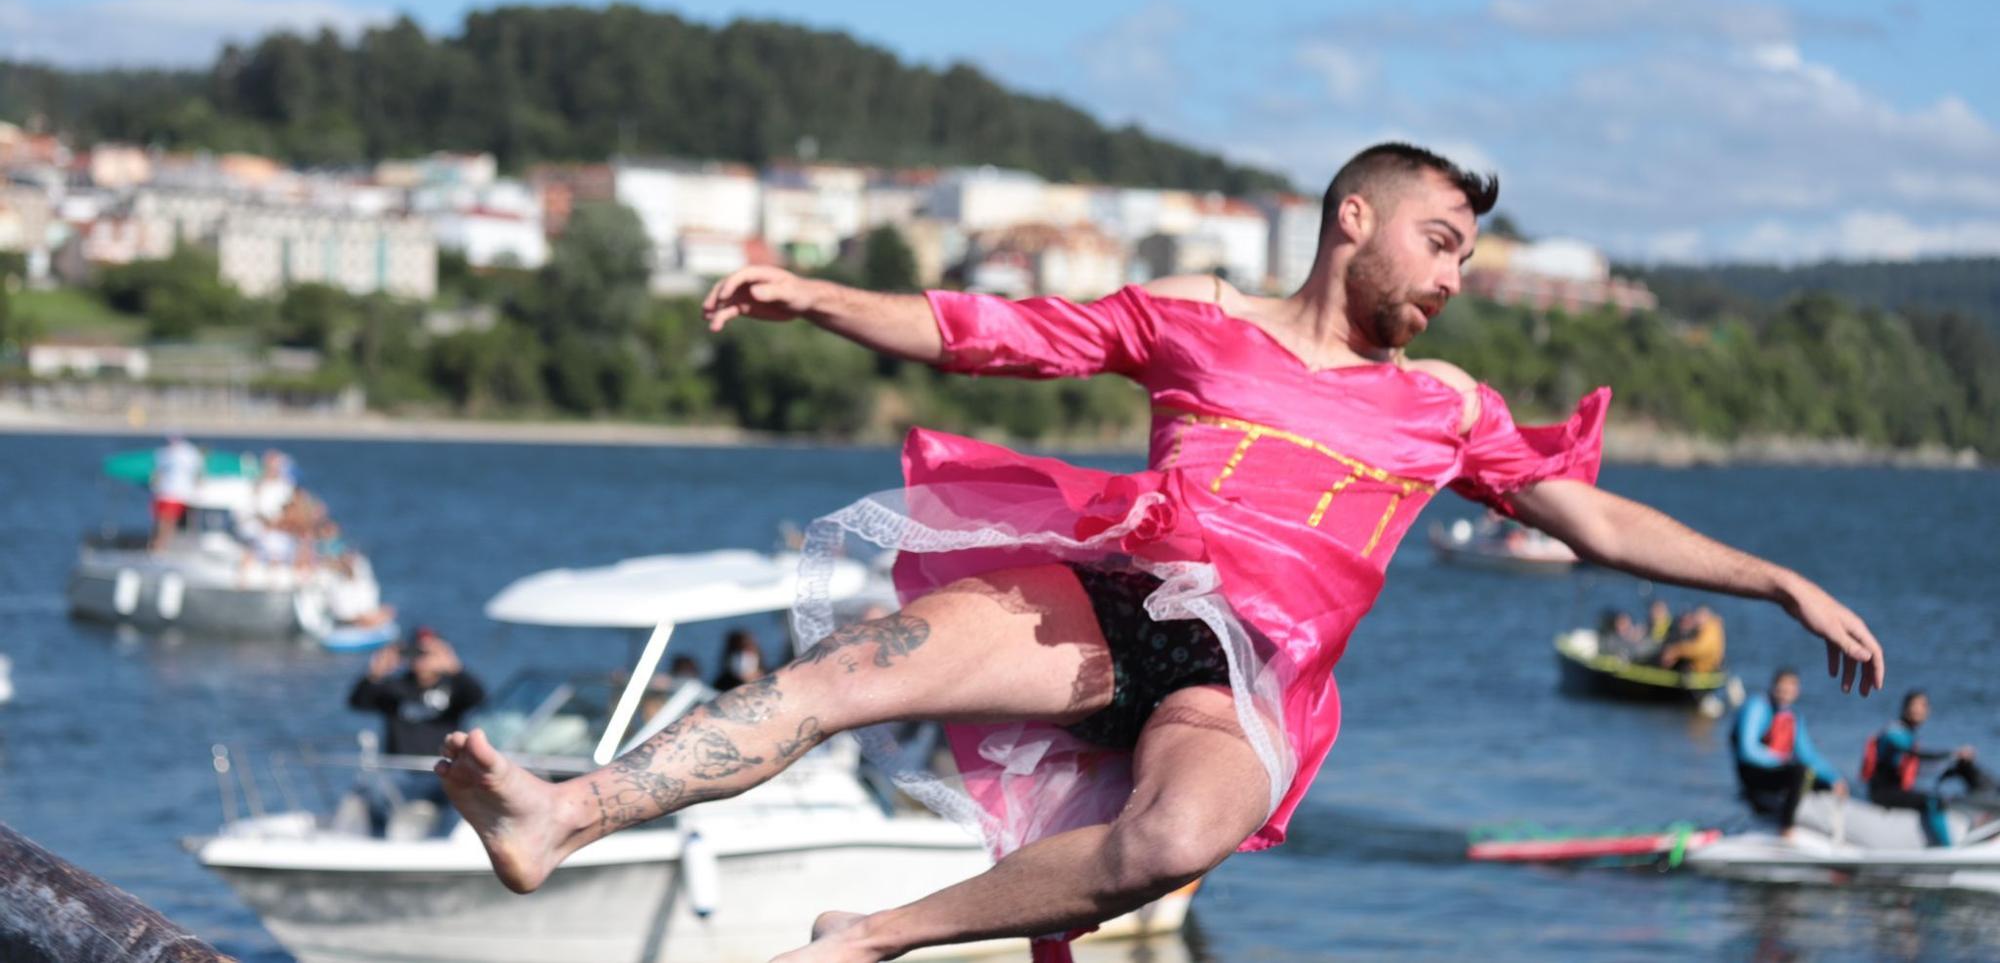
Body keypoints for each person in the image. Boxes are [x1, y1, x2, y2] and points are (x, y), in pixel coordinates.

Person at [436, 142, 1884, 963]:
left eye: (1468, 259)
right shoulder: (1202, 318)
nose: (1454, 276)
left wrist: (1779, 576)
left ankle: (870, 933)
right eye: (1440, 240)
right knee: (835, 677)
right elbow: (989, 334)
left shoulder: (1450, 410)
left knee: (1174, 839)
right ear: (1353, 218)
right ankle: (562, 810)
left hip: (1245, 669)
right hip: (1113, 594)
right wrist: (818, 294)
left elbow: (1596, 519)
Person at [349, 627, 486, 833]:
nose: (421, 659)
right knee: (373, 788)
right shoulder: (394, 686)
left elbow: (479, 698)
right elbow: (358, 702)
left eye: (427, 653)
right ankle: (379, 842)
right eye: (416, 653)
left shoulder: (455, 687)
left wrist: (455, 668)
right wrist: (375, 674)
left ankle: (441, 845)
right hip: (399, 770)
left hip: (441, 770)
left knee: (463, 791)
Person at [1732, 667, 1846, 833]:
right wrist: (1782, 759)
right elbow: (1747, 751)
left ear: (1796, 691)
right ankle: (1786, 828)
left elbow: (1808, 755)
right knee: (1799, 772)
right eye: (1782, 688)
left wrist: (1834, 778)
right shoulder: (1757, 707)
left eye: (1790, 689)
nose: (1785, 693)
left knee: (1821, 783)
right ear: (1773, 687)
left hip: (1778, 772)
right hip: (1753, 774)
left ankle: (1818, 824)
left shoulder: (1792, 717)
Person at [1862, 690, 1981, 846]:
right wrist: (1954, 754)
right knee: (1932, 801)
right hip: (1882, 792)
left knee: (1942, 797)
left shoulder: (1909, 735)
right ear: (1906, 708)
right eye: (1918, 705)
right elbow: (1917, 755)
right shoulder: (1894, 733)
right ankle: (1947, 849)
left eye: (1925, 706)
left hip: (1897, 791)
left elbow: (1921, 767)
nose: (1922, 710)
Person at [149, 435, 204, 550]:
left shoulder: (163, 453)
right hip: (175, 495)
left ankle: (158, 548)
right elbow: (198, 476)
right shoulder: (191, 454)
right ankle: (159, 548)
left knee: (164, 523)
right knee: (168, 523)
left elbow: (155, 476)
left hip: (166, 495)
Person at [1657, 605, 1726, 673]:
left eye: (1699, 616)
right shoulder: (1708, 628)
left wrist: (1675, 651)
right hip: (1702, 665)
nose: (1696, 619)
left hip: (1703, 669)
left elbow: (1699, 649)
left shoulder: (1711, 629)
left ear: (1706, 617)